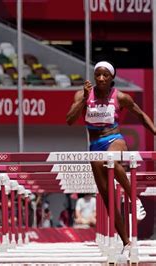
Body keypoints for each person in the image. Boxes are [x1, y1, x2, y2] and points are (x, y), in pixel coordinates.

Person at [66, 61, 150, 254]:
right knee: (107, 198)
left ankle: (135, 199)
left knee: (110, 159)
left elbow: (141, 115)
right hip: (94, 145)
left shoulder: (120, 96)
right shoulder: (82, 94)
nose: (101, 78)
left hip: (114, 138)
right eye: (98, 75)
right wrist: (84, 99)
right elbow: (70, 120)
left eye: (105, 75)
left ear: (112, 78)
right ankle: (127, 242)